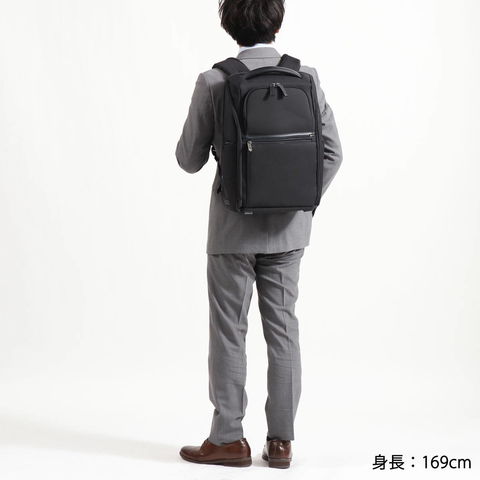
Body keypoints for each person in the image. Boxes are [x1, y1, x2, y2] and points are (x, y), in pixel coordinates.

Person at [175, 0, 342, 469]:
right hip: (289, 232)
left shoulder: (214, 81)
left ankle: (228, 439)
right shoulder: (305, 76)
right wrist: (298, 199)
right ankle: (282, 442)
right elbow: (333, 153)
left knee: (229, 332)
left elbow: (188, 160)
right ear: (278, 24)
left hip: (232, 230)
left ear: (229, 26)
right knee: (283, 330)